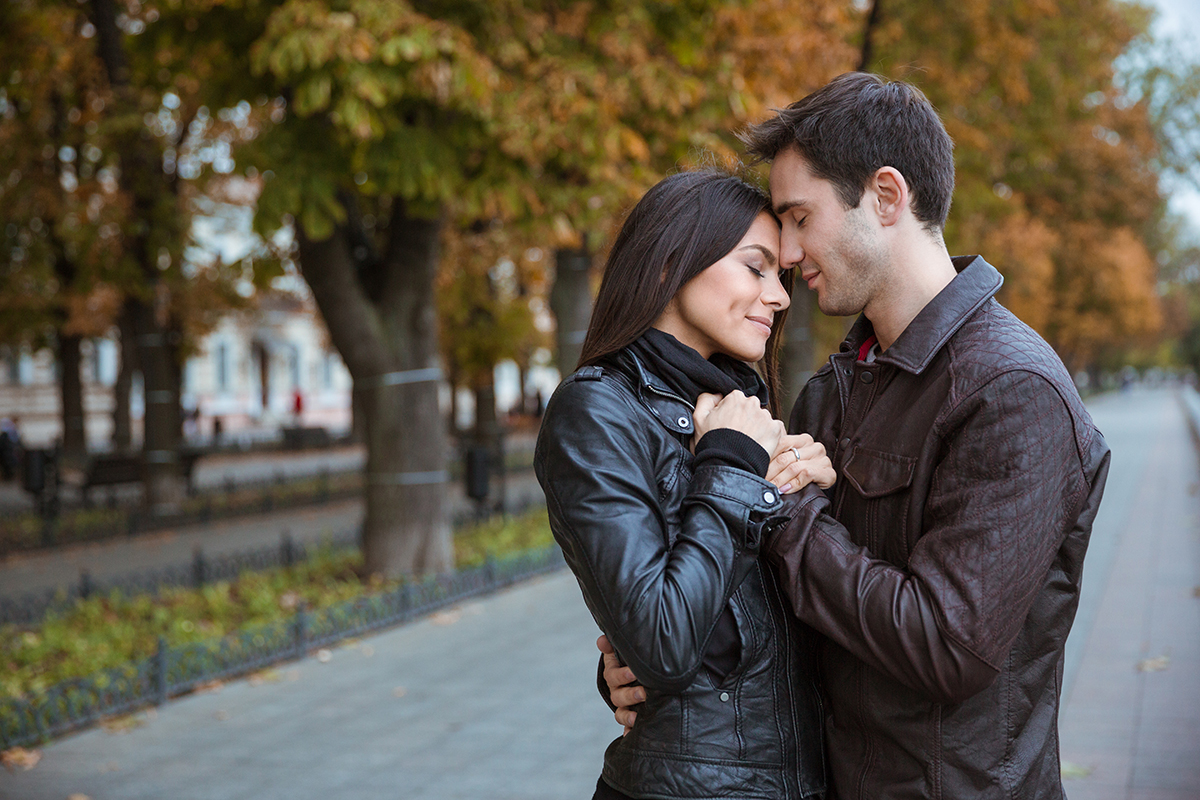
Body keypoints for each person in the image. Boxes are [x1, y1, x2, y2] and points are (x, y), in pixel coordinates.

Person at [604, 73, 1111, 799]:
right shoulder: (833, 389)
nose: (783, 247)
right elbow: (781, 609)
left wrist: (778, 504)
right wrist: (640, 665)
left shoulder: (1011, 390)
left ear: (885, 197)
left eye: (798, 216)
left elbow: (947, 647)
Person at [535, 169, 835, 800]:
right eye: (756, 268)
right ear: (673, 262)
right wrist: (729, 466)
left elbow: (737, 625)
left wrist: (819, 497)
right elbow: (664, 640)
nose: (780, 296)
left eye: (780, 275)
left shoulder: (743, 408)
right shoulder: (598, 412)